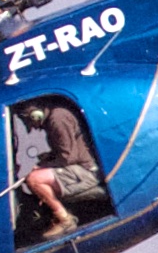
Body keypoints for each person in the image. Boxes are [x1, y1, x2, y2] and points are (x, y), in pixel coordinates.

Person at [13, 100, 110, 240]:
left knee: (34, 180)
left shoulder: (57, 120)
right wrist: (50, 157)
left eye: (29, 121)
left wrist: (44, 166)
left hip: (88, 171)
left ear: (35, 115)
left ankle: (65, 219)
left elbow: (68, 157)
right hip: (83, 168)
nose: (32, 127)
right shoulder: (56, 116)